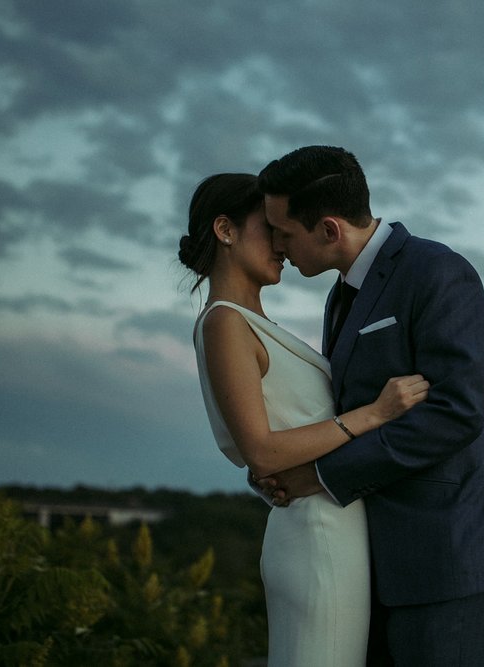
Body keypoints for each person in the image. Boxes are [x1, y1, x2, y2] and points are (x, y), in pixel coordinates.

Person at [257, 146, 484, 666]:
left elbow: (456, 411)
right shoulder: (339, 295)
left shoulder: (439, 272)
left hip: (446, 553)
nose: (276, 244)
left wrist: (324, 475)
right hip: (376, 557)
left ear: (329, 229)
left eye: (283, 231)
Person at [178, 172, 430, 667]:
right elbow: (261, 450)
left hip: (332, 524)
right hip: (317, 535)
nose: (280, 244)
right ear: (225, 230)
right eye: (266, 228)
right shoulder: (225, 321)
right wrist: (372, 415)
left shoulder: (254, 324)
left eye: (282, 230)